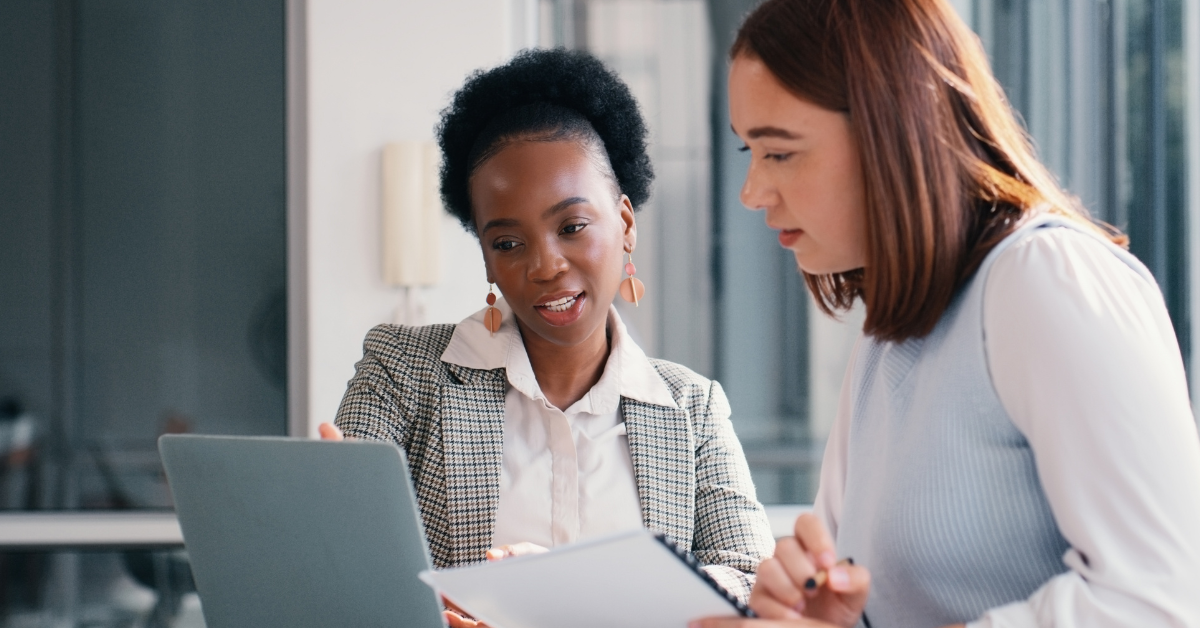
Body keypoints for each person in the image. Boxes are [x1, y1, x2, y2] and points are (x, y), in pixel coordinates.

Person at [694, 0, 1200, 627]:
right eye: (749, 153)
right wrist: (812, 612)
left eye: (780, 153)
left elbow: (1157, 603)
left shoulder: (1043, 281)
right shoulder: (890, 336)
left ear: (893, 129)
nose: (751, 193)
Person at [318, 49, 774, 623]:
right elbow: (348, 582)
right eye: (508, 243)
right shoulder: (402, 372)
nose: (545, 265)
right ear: (486, 257)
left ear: (625, 223)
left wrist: (578, 590)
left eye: (572, 227)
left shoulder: (692, 409)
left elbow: (752, 580)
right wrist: (335, 533)